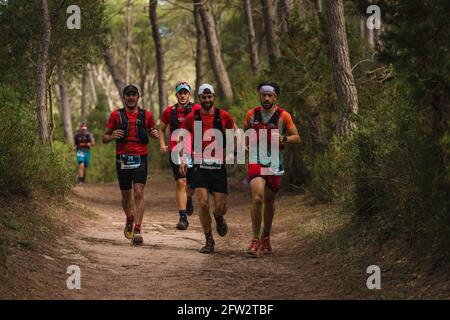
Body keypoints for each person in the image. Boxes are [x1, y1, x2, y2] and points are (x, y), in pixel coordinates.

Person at [244, 82, 300, 257]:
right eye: (263, 95)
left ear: (275, 97)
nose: (266, 98)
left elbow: (296, 137)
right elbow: (245, 133)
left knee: (269, 201)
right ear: (259, 96)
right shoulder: (252, 114)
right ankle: (254, 239)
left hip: (275, 162)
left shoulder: (284, 116)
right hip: (255, 159)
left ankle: (266, 236)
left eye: (270, 95)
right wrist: (244, 145)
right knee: (258, 198)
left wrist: (283, 138)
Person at [180, 84, 236, 254]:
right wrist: (183, 158)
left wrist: (234, 152)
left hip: (218, 165)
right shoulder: (192, 117)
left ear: (214, 97)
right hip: (199, 165)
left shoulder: (224, 115)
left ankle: (219, 217)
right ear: (199, 99)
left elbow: (235, 133)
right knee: (203, 203)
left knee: (221, 206)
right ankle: (208, 240)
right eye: (203, 98)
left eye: (209, 97)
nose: (207, 100)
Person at [102, 84, 160, 245]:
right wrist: (112, 135)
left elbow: (152, 131)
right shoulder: (116, 116)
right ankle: (129, 217)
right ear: (124, 97)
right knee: (126, 197)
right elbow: (104, 138)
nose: (131, 97)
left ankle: (138, 230)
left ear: (138, 97)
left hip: (140, 158)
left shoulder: (146, 115)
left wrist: (154, 134)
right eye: (128, 95)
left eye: (134, 94)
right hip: (122, 159)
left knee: (138, 192)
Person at [159, 82, 200, 230]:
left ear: (189, 94)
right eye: (180, 93)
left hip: (194, 151)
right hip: (176, 151)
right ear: (176, 95)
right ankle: (183, 218)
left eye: (185, 93)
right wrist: (162, 144)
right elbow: (162, 129)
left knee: (191, 184)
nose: (183, 95)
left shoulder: (197, 109)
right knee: (181, 182)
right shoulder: (169, 112)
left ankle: (189, 198)